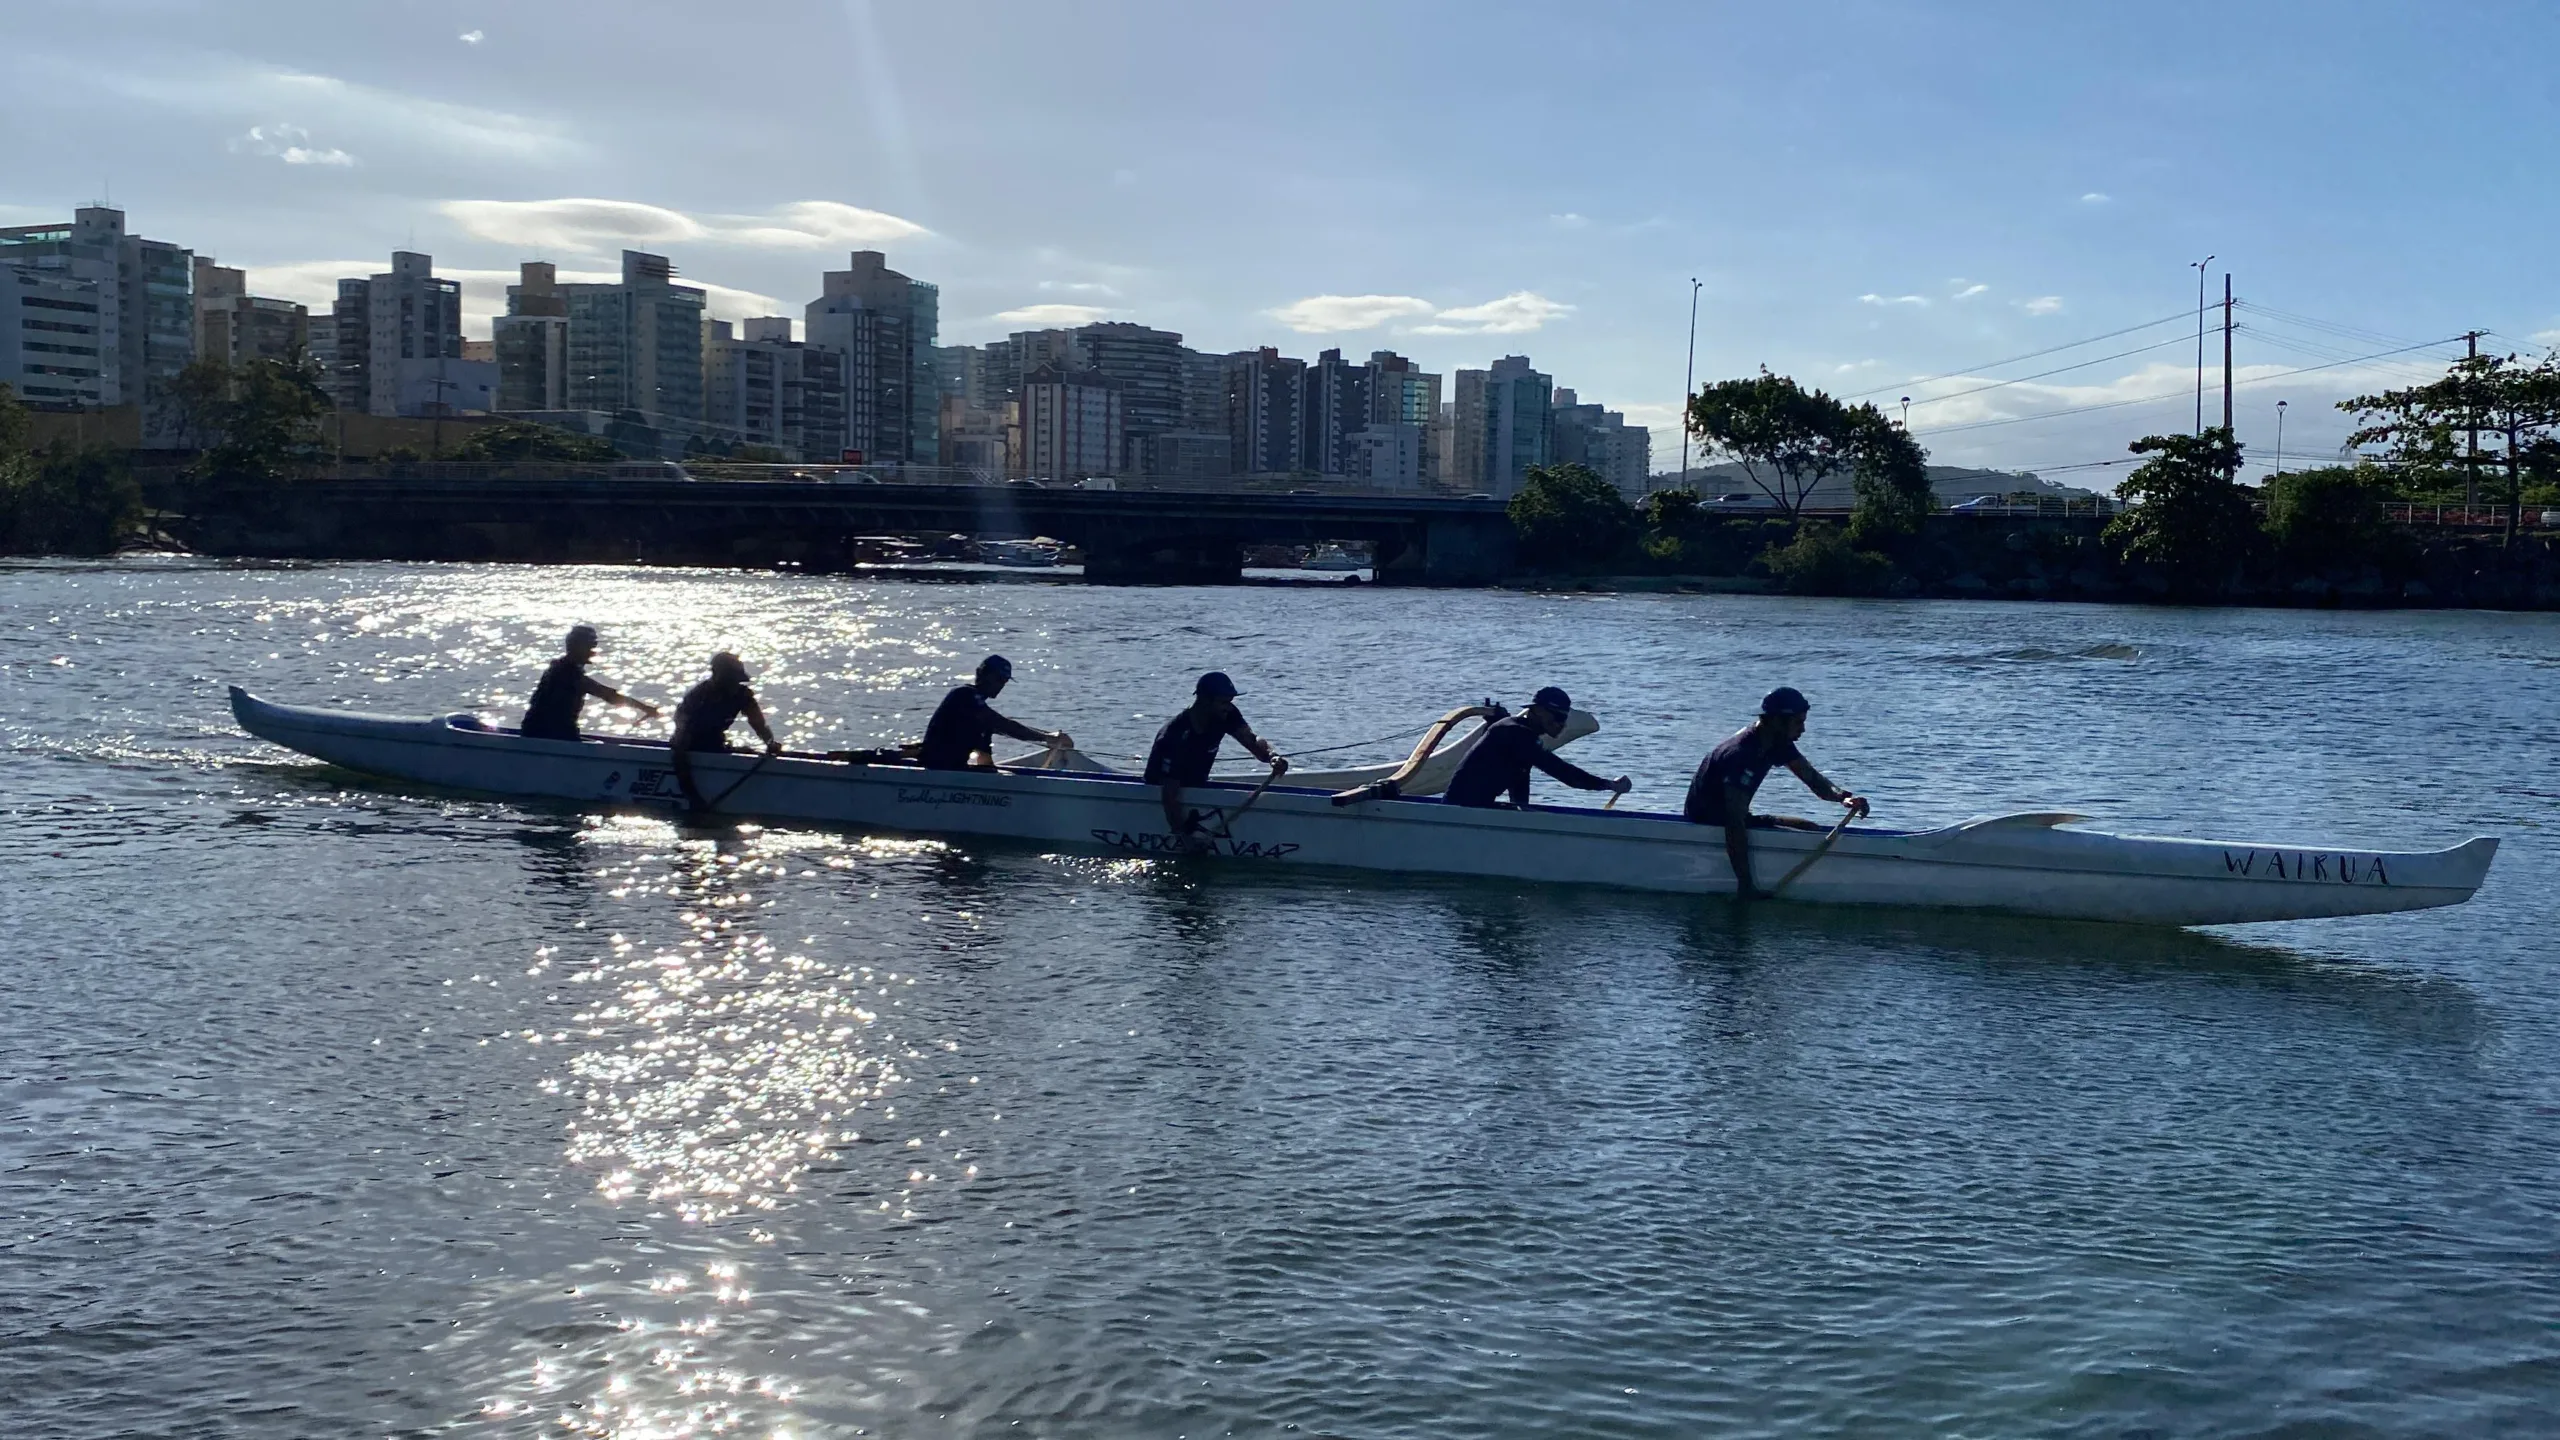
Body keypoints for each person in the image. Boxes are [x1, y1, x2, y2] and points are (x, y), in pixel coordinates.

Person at [1682, 686, 1868, 900]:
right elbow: (1733, 821)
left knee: (1808, 828)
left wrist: (1844, 797)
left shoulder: (1776, 741)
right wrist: (1745, 883)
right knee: (1802, 831)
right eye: (1798, 722)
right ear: (1778, 721)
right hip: (1709, 821)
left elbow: (1813, 779)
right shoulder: (1742, 754)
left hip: (1734, 815)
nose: (1803, 730)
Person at [1143, 671, 1288, 841]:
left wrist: (1272, 756)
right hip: (1158, 795)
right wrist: (1183, 836)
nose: (1228, 707)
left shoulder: (1227, 714)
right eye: (1223, 702)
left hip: (1196, 788)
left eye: (1230, 702)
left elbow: (1251, 739)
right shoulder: (1176, 735)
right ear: (1204, 701)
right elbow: (1169, 796)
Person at [1442, 686, 1630, 810]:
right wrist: (1608, 785)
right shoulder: (1515, 733)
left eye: (1564, 719)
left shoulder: (1520, 734)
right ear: (1538, 711)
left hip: (1473, 807)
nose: (1561, 724)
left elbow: (1519, 780)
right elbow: (1564, 773)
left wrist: (1523, 810)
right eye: (1558, 717)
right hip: (1463, 810)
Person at [668, 651, 781, 810]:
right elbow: (681, 728)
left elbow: (759, 725)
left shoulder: (743, 695)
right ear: (717, 676)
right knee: (680, 748)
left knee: (747, 751)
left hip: (715, 741)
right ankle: (692, 797)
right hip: (691, 739)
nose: (733, 686)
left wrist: (770, 742)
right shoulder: (699, 697)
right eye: (730, 680)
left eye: (735, 681)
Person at [917, 654, 1071, 771]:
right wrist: (1046, 737)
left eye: (1004, 681)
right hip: (936, 769)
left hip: (952, 769)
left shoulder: (981, 716)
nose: (1001, 685)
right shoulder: (964, 695)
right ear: (982, 673)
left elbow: (985, 759)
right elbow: (1004, 725)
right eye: (998, 679)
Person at [519, 624, 658, 741]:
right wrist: (645, 708)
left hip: (547, 735)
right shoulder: (567, 674)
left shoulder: (561, 669)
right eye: (589, 647)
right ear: (577, 647)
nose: (592, 652)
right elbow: (608, 695)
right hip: (547, 737)